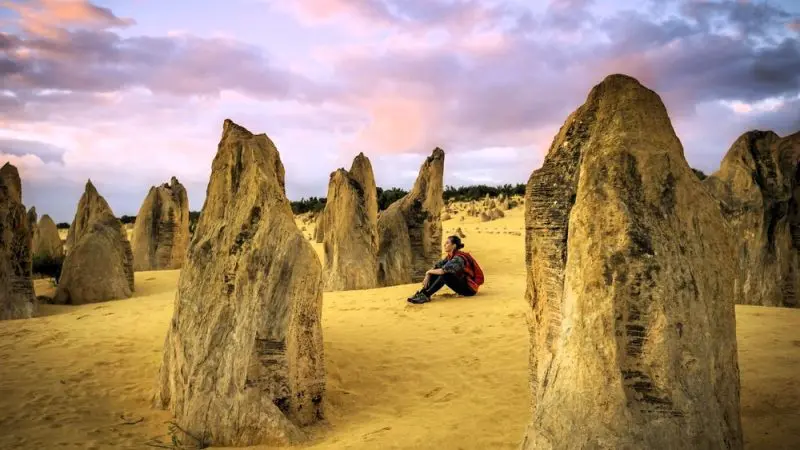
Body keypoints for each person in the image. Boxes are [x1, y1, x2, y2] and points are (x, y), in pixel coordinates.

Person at [407, 235, 483, 304]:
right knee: (436, 271)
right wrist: (429, 273)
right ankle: (422, 293)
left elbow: (443, 271)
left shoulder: (459, 258)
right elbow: (437, 267)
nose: (444, 245)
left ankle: (426, 295)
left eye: (447, 243)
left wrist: (428, 272)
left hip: (469, 290)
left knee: (446, 275)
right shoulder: (449, 257)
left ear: (454, 246)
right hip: (462, 285)